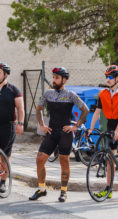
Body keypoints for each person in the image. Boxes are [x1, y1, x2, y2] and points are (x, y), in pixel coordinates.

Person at [29, 67, 89, 202]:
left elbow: (85, 110)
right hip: (51, 132)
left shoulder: (70, 95)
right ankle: (42, 189)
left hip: (65, 133)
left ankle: (63, 191)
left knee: (64, 161)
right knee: (39, 159)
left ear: (64, 79)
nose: (54, 80)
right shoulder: (48, 94)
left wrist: (75, 126)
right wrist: (42, 125)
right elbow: (38, 109)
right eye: (53, 77)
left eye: (57, 78)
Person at [88, 65, 118, 201]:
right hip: (111, 124)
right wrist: (91, 129)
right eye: (106, 77)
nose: (107, 79)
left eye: (110, 77)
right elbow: (97, 112)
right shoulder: (103, 94)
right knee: (110, 160)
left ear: (117, 78)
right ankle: (108, 189)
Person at [0, 62, 24, 193]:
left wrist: (20, 123)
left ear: (5, 74)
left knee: (5, 156)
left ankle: (3, 181)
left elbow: (20, 108)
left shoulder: (14, 90)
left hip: (8, 127)